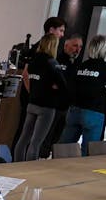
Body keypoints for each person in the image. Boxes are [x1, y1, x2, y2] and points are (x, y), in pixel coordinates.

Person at [60, 34, 106, 154]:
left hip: (74, 110)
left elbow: (72, 86)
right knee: (87, 150)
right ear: (105, 49)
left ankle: (55, 169)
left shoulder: (81, 65)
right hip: (94, 111)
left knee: (64, 148)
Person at [13, 34, 67, 162]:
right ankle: (30, 168)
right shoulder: (52, 62)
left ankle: (16, 164)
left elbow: (28, 77)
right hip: (46, 106)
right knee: (36, 142)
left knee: (24, 138)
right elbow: (63, 85)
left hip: (32, 103)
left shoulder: (33, 61)